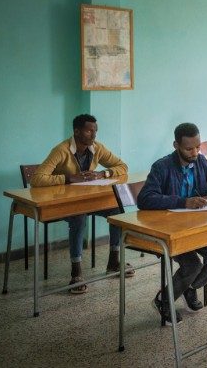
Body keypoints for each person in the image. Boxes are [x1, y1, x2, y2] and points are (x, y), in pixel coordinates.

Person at [138, 123, 207, 324]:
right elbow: (145, 199)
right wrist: (183, 202)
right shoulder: (162, 166)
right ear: (176, 145)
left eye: (198, 147)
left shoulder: (201, 161)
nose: (195, 152)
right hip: (168, 230)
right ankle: (164, 299)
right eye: (189, 148)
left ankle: (189, 287)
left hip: (195, 227)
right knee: (192, 264)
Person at [30, 114, 131, 294]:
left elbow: (122, 166)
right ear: (76, 131)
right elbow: (37, 178)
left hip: (87, 201)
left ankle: (114, 262)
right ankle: (76, 271)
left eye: (95, 131)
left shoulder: (97, 148)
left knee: (117, 210)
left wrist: (103, 174)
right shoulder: (61, 150)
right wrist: (69, 178)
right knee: (78, 218)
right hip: (63, 203)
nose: (93, 135)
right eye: (89, 130)